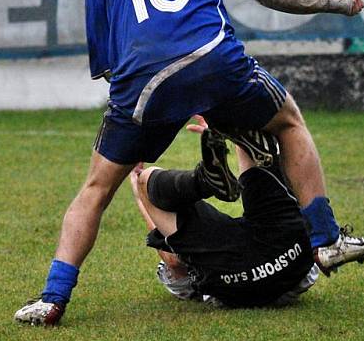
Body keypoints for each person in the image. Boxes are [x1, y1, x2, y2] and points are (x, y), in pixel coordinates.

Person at [14, 0, 364, 326]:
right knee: (287, 122)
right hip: (211, 61)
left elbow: (108, 65)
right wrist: (333, 1)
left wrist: (149, 112)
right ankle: (326, 239)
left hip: (140, 87)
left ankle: (52, 298)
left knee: (95, 189)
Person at [129, 115, 327, 309]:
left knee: (145, 180)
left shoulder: (185, 280)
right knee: (249, 140)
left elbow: (173, 260)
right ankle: (226, 148)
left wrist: (139, 190)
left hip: (231, 276)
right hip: (290, 259)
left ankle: (204, 181)